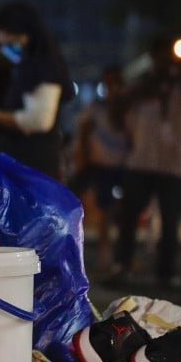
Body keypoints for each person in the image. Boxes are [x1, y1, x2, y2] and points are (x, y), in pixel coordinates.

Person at [106, 38, 181, 288]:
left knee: (171, 221)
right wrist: (146, 87)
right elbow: (116, 109)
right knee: (129, 218)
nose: (166, 63)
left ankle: (166, 272)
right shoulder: (141, 86)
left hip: (173, 165)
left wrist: (180, 77)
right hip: (141, 162)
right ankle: (122, 265)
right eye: (161, 58)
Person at [0, 2, 75, 179]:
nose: (4, 47)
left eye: (7, 39)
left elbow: (39, 121)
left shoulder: (43, 66)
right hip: (23, 165)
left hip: (35, 167)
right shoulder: (26, 66)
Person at [69, 65, 129, 273]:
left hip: (123, 166)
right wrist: (82, 160)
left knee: (123, 213)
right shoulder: (95, 108)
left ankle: (118, 257)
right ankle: (102, 254)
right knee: (99, 210)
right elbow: (84, 134)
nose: (112, 88)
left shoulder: (129, 109)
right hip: (98, 165)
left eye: (116, 83)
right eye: (109, 83)